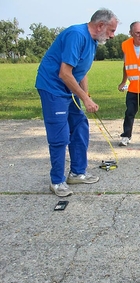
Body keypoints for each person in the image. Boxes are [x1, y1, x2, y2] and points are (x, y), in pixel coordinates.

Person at [35, 9, 119, 197]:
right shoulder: (76, 35)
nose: (113, 36)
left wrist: (86, 95)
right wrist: (85, 98)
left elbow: (81, 70)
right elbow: (64, 73)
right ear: (100, 26)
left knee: (80, 126)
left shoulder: (93, 40)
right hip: (53, 87)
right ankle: (57, 182)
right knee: (60, 135)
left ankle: (77, 173)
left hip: (69, 87)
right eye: (111, 31)